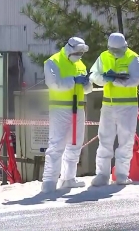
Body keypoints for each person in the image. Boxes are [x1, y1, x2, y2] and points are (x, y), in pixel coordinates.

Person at [89, 32, 139, 186]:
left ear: (125, 46)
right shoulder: (104, 56)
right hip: (108, 105)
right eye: (112, 50)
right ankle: (102, 174)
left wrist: (116, 80)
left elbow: (135, 80)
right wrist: (104, 79)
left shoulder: (133, 58)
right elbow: (93, 75)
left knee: (125, 140)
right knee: (104, 139)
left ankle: (121, 174)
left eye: (118, 50)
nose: (115, 53)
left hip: (127, 106)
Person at [41, 37, 93, 193]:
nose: (79, 56)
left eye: (81, 53)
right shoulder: (52, 62)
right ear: (69, 49)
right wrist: (73, 80)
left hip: (78, 108)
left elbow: (88, 89)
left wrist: (86, 83)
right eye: (77, 52)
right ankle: (49, 181)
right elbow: (54, 84)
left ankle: (68, 178)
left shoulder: (80, 64)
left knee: (75, 144)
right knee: (56, 145)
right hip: (60, 110)